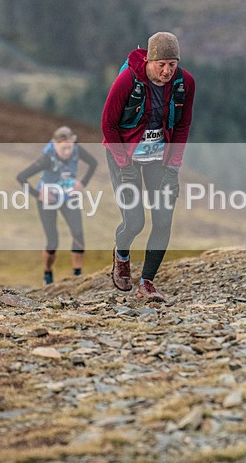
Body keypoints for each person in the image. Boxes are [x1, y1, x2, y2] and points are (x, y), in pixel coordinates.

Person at [101, 32, 195, 302]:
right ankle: (121, 255)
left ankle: (147, 283)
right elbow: (108, 125)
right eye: (161, 64)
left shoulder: (185, 83)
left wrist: (173, 167)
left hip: (159, 157)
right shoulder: (128, 80)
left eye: (172, 64)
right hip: (124, 154)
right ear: (150, 60)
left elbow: (183, 126)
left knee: (163, 219)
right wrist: (124, 164)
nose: (167, 71)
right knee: (135, 222)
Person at [16, 126, 98, 285]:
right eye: (64, 148)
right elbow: (21, 177)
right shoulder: (47, 158)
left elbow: (93, 163)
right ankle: (47, 272)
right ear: (55, 145)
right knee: (53, 241)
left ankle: (77, 276)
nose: (68, 152)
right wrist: (38, 194)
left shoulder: (76, 149)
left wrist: (82, 183)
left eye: (70, 147)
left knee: (78, 232)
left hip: (69, 197)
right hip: (48, 200)